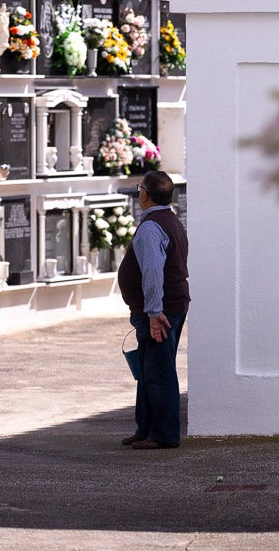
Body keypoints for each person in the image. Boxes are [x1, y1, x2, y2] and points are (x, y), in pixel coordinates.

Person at [117, 170, 189, 450]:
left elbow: (152, 272)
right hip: (170, 306)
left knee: (159, 371)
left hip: (160, 311)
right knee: (148, 370)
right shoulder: (171, 220)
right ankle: (145, 428)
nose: (139, 193)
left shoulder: (150, 227)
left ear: (145, 194)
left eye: (140, 188)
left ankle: (164, 433)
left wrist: (154, 311)